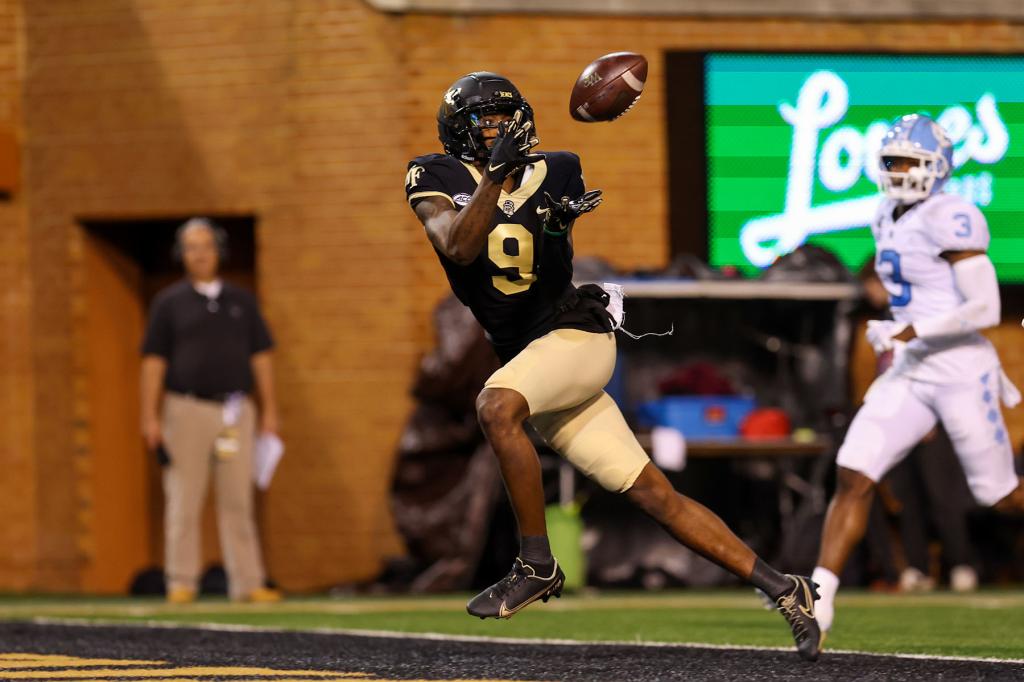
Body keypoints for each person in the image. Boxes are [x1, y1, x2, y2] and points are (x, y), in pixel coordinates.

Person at [405, 72, 821, 661]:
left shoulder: (560, 167)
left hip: (575, 335)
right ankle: (786, 588)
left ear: (519, 123)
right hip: (533, 359)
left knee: (497, 407)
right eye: (481, 125)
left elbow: (548, 268)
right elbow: (460, 246)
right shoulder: (435, 176)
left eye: (500, 123)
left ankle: (536, 563)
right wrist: (496, 178)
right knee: (656, 495)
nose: (491, 134)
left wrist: (554, 227)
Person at [811, 114, 1024, 636]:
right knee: (854, 472)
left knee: (999, 497)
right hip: (910, 371)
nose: (902, 171)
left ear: (939, 168)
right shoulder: (885, 213)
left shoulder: (953, 216)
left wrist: (911, 331)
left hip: (960, 370)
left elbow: (984, 307)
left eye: (913, 162)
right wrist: (902, 335)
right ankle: (817, 597)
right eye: (894, 161)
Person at [140, 217, 282, 604]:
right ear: (180, 254)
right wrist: (149, 417)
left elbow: (262, 356)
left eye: (205, 246)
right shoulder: (169, 303)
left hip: (236, 410)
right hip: (185, 408)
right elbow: (153, 361)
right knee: (184, 496)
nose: (199, 254)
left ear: (218, 250)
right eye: (191, 247)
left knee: (238, 499)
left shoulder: (241, 301)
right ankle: (181, 580)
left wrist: (269, 411)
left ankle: (248, 581)